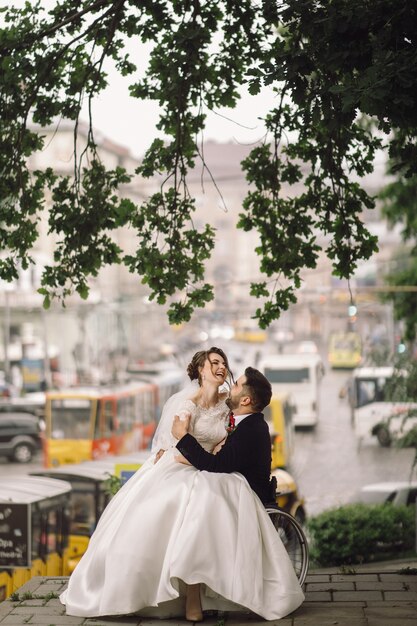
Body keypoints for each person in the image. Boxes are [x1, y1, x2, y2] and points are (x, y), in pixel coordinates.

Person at [60, 348, 304, 621]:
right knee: (176, 503)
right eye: (214, 363)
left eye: (224, 363)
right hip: (186, 465)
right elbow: (173, 440)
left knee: (204, 499)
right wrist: (175, 447)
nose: (222, 367)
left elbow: (224, 455)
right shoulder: (187, 405)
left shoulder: (229, 405)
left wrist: (215, 450)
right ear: (201, 370)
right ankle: (168, 587)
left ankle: (198, 589)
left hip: (211, 471)